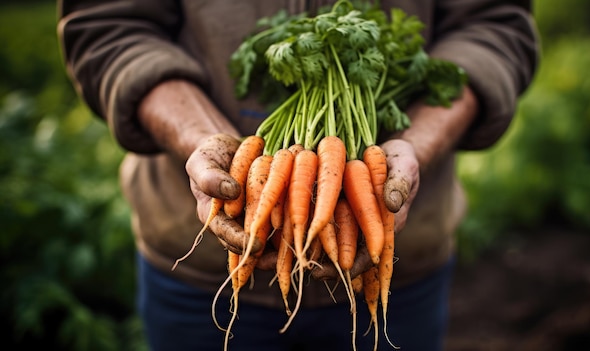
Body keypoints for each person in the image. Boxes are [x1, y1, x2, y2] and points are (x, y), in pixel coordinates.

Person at [57, 0, 538, 350]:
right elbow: (108, 24)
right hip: (192, 279)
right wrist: (203, 138)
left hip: (403, 269)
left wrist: (417, 144)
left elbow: (495, 25)